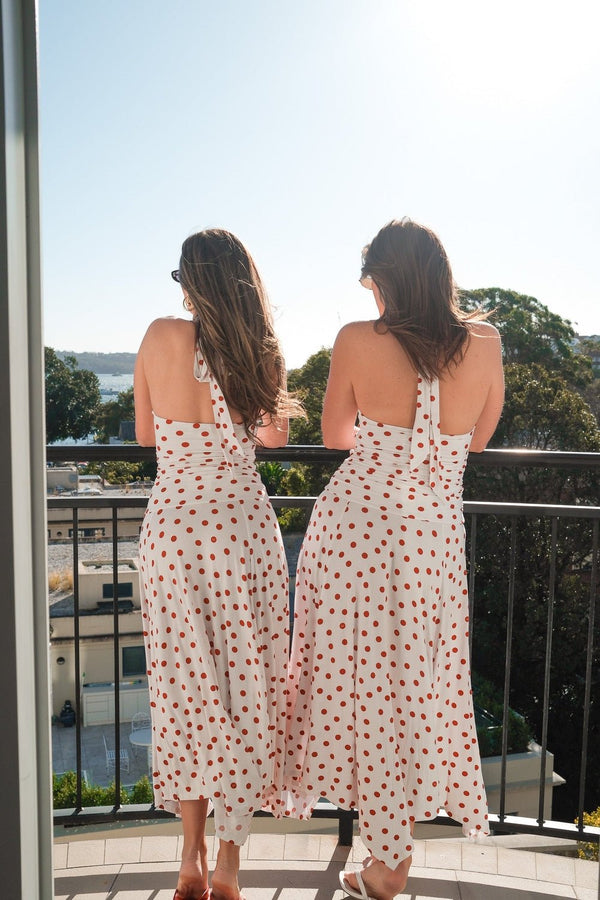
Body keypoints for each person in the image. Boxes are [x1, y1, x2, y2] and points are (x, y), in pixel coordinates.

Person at [284, 219, 504, 900]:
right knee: (414, 690)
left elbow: (334, 433)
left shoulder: (356, 339)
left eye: (373, 283)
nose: (370, 296)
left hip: (357, 536)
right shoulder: (487, 344)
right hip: (432, 542)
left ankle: (387, 860)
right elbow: (478, 437)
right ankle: (389, 855)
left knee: (360, 689)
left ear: (388, 280)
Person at [135, 228, 301, 900]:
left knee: (186, 697)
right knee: (246, 691)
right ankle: (231, 865)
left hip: (175, 531)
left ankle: (189, 860)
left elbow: (148, 435)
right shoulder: (258, 350)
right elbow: (275, 435)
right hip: (240, 531)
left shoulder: (157, 336)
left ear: (192, 281)